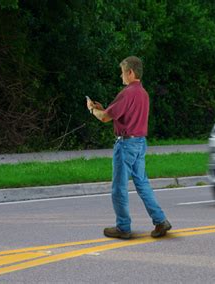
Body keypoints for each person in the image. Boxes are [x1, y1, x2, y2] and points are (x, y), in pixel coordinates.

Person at [86, 56, 171, 239]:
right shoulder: (143, 93)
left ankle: (123, 227)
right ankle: (160, 220)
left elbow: (105, 118)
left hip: (126, 144)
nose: (121, 76)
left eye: (122, 72)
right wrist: (104, 108)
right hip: (140, 143)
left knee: (119, 187)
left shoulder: (127, 92)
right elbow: (118, 113)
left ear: (130, 72)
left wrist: (93, 109)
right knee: (142, 183)